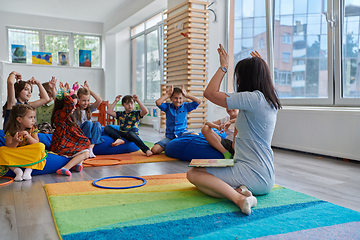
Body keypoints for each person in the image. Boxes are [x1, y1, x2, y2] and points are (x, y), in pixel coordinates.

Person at [187, 44, 282, 215]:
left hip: (253, 173)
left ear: (246, 78)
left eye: (239, 77)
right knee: (203, 172)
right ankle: (241, 190)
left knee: (193, 174)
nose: (237, 81)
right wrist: (262, 67)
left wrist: (223, 67)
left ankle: (240, 199)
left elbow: (209, 93)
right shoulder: (268, 100)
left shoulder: (253, 98)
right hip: (264, 173)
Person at [50, 82, 90, 176]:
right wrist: (64, 92)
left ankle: (77, 164)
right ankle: (65, 168)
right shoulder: (60, 115)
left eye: (76, 106)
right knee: (86, 153)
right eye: (74, 106)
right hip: (62, 146)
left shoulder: (67, 116)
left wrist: (70, 91)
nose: (75, 108)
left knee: (85, 144)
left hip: (66, 143)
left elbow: (71, 102)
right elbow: (70, 103)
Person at [151, 85, 202, 155]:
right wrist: (168, 94)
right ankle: (171, 146)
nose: (178, 100)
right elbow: (158, 102)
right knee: (154, 150)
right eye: (175, 98)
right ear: (171, 98)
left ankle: (173, 146)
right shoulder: (167, 107)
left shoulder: (186, 106)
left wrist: (187, 95)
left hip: (182, 135)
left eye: (180, 98)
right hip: (170, 137)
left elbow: (198, 101)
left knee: (195, 135)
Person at [1, 104, 46, 181]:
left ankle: (28, 171)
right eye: (30, 117)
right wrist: (15, 142)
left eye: (34, 117)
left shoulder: (33, 128)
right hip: (16, 154)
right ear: (19, 119)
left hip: (28, 153)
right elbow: (8, 147)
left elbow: (36, 143)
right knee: (1, 150)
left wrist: (29, 137)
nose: (33, 120)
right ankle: (18, 171)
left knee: (41, 146)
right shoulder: (11, 131)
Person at [74, 81, 103, 158]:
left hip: (89, 134)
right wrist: (75, 91)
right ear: (78, 100)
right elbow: (73, 101)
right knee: (89, 123)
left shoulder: (89, 108)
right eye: (83, 100)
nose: (86, 103)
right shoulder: (74, 109)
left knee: (97, 124)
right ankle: (86, 147)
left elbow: (99, 100)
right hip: (80, 133)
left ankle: (90, 149)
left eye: (88, 100)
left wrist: (89, 91)